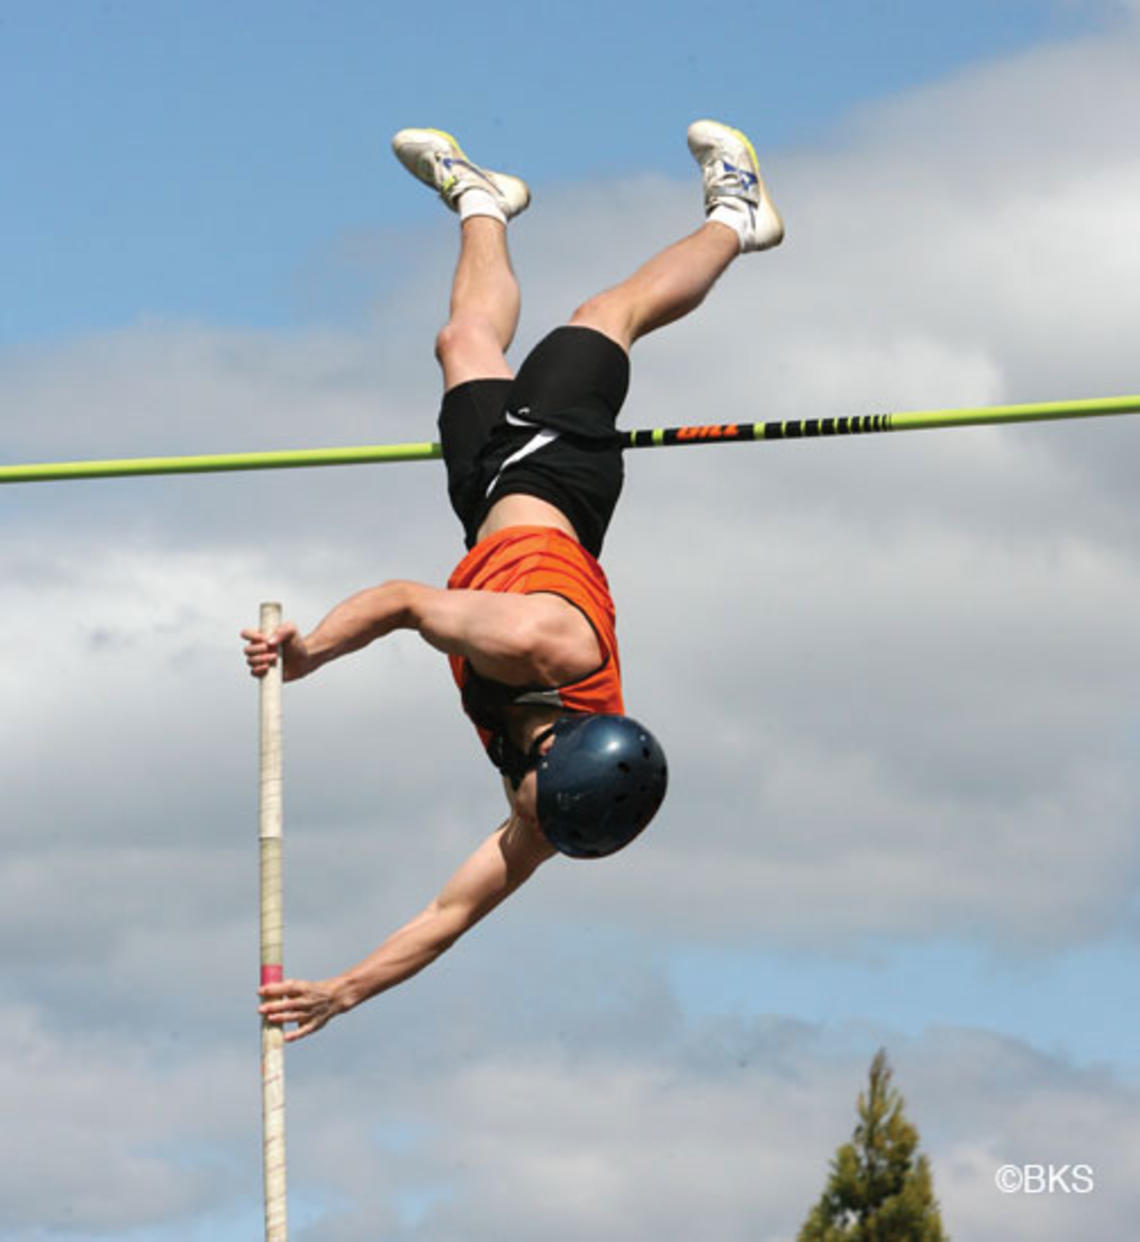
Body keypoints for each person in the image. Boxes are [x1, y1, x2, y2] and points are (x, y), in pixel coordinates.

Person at [242, 120, 784, 1041]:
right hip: (553, 474)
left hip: (483, 512)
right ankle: (740, 213)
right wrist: (309, 654)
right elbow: (404, 601)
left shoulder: (551, 811)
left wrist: (346, 991)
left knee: (461, 342)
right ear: (552, 754)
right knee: (605, 316)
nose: (521, 833)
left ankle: (484, 198)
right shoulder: (542, 645)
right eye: (530, 817)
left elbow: (450, 915)